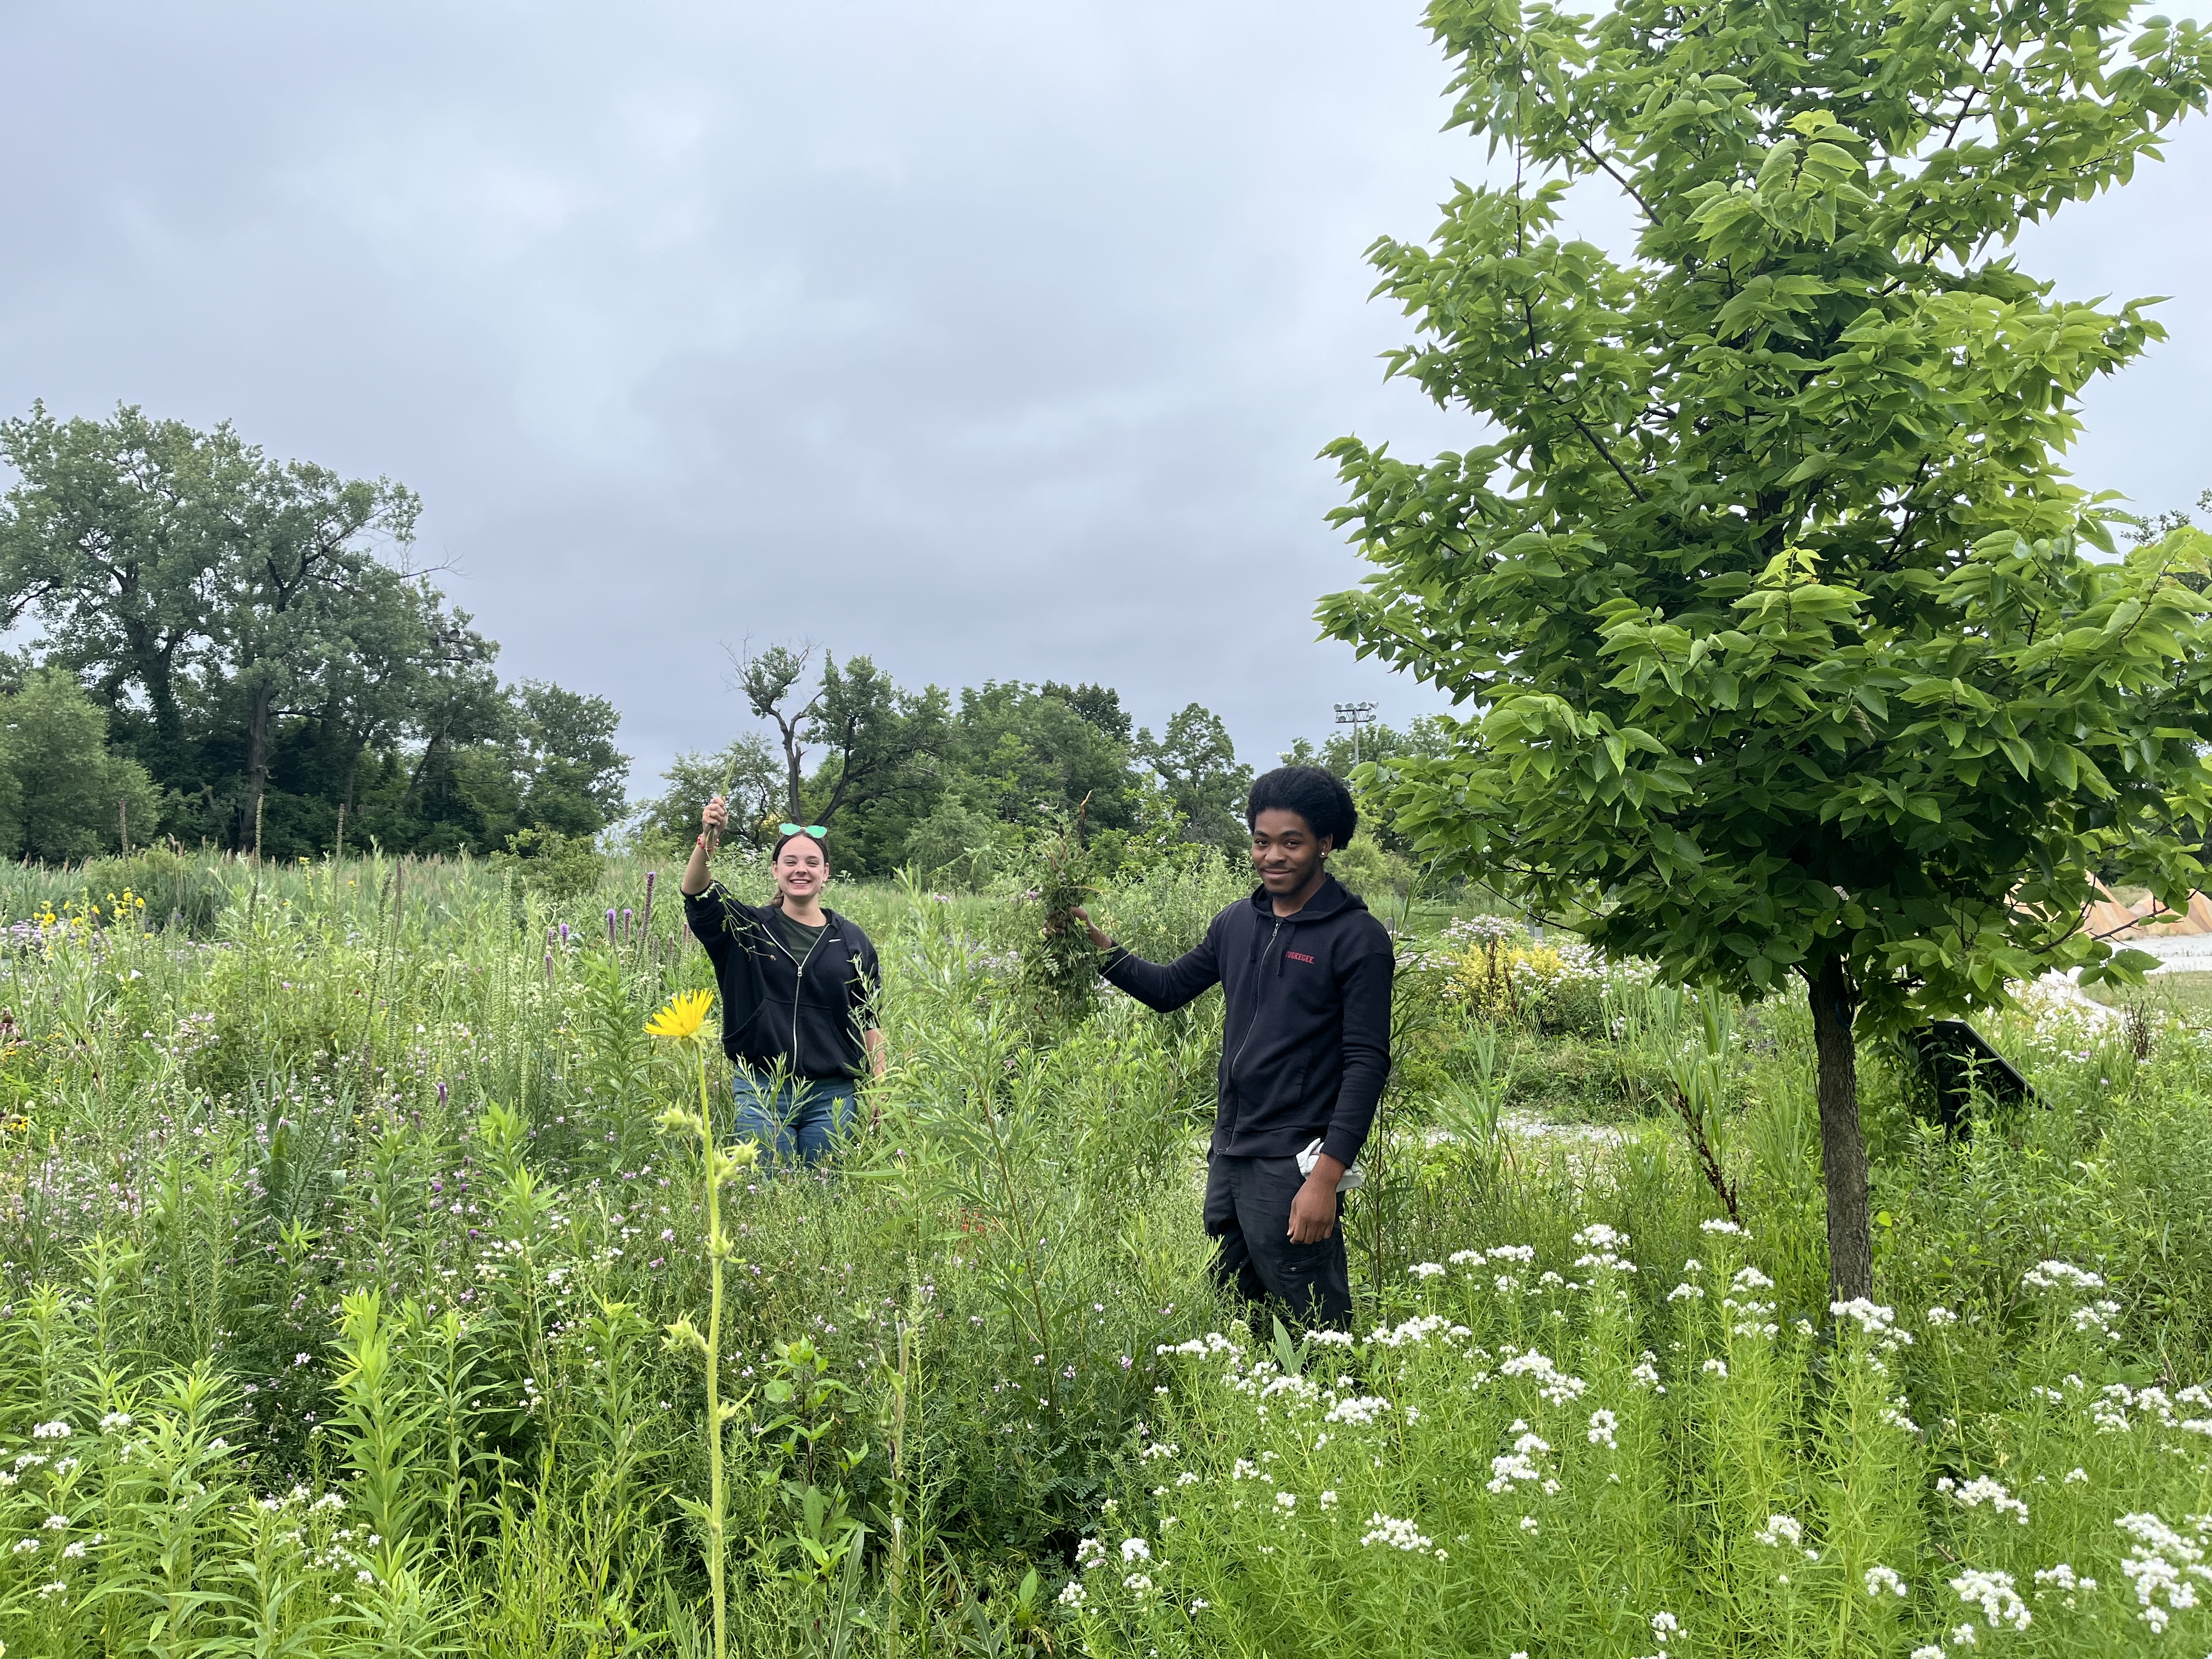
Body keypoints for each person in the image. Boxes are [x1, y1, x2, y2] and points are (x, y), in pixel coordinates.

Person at [1072, 765, 1392, 1329]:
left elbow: (1365, 1063)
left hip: (1294, 1161)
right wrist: (1097, 945)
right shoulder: (1237, 923)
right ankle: (1269, 1411)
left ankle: (1341, 1410)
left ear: (1325, 843)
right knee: (1239, 1307)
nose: (1273, 856)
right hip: (1231, 1152)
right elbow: (1169, 990)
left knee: (1314, 1319)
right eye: (1262, 842)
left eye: (1291, 842)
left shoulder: (1356, 938)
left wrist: (1325, 1179)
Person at [680, 799, 885, 1163]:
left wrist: (880, 1088)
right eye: (790, 862)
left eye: (811, 863)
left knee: (826, 1200)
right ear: (775, 871)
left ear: (826, 873)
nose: (801, 870)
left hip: (833, 1096)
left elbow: (868, 1019)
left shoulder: (853, 941)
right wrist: (708, 840)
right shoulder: (745, 928)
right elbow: (697, 893)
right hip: (762, 1091)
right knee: (768, 1196)